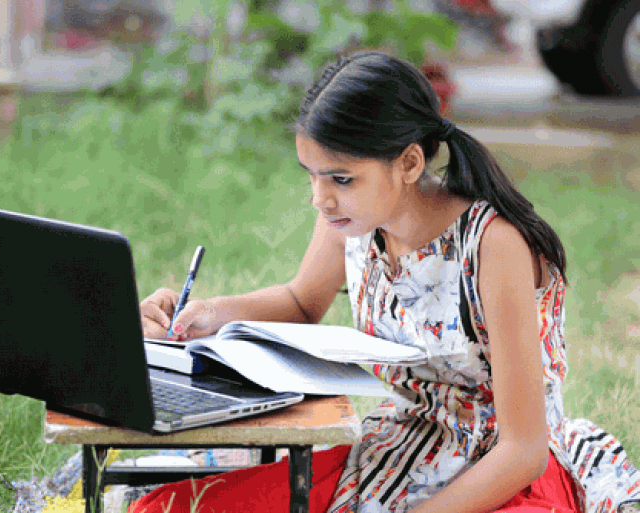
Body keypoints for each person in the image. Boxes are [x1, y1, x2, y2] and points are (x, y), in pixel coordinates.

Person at [134, 51, 640, 513]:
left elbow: (522, 450)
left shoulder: (493, 244)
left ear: (409, 164)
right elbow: (301, 300)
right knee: (171, 507)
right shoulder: (351, 219)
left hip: (499, 474)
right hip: (397, 446)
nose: (320, 198)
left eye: (340, 178)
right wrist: (202, 312)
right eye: (311, 175)